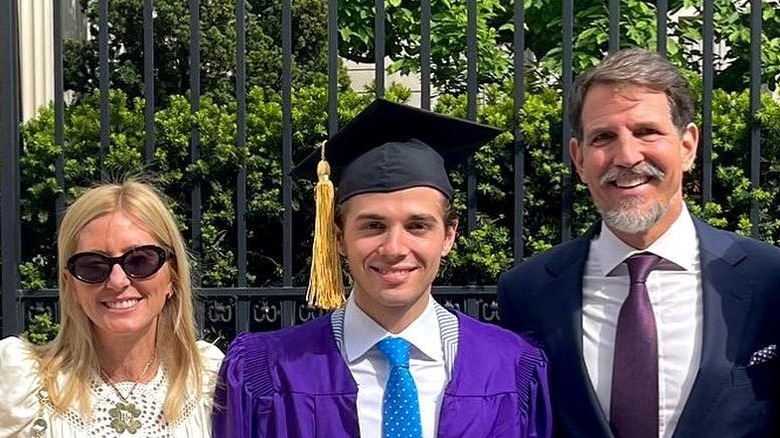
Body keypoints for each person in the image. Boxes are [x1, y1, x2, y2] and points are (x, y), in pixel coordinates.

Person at [213, 98, 552, 437]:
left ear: (449, 236)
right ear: (339, 238)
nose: (393, 249)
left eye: (417, 226)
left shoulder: (511, 367)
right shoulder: (269, 372)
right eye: (373, 226)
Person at [498, 48, 780, 438]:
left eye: (647, 131)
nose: (627, 156)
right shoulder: (528, 292)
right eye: (603, 137)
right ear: (579, 160)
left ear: (687, 146)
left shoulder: (769, 279)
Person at [0, 180, 224, 437]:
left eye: (140, 260)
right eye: (92, 266)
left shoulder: (210, 382)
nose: (118, 281)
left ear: (172, 276)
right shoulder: (18, 386)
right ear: (70, 284)